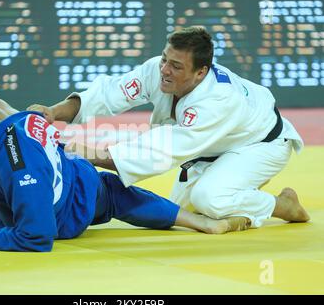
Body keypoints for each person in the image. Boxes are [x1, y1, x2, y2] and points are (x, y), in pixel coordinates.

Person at [0, 78, 250, 253]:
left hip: (72, 207)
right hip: (55, 168)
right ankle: (201, 222)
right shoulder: (7, 117)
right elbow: (4, 105)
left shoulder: (20, 167)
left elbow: (38, 237)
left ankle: (205, 223)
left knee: (112, 192)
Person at [28, 26, 310, 229]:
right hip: (214, 148)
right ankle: (241, 187)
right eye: (165, 59)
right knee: (187, 213)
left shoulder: (219, 100)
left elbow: (160, 151)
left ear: (201, 72)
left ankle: (284, 206)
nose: (164, 70)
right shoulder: (158, 71)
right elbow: (107, 95)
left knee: (210, 199)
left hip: (261, 145)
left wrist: (79, 152)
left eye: (176, 66)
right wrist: (53, 112)